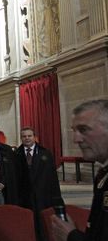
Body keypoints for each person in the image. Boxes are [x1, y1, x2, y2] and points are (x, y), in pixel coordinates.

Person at [52, 99, 108, 241]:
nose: (76, 139)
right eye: (74, 130)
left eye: (83, 130)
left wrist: (71, 236)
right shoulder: (103, 174)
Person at [15, 127, 61, 240]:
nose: (27, 138)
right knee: (28, 224)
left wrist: (57, 198)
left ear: (34, 137)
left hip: (43, 196)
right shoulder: (16, 155)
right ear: (21, 138)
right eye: (24, 136)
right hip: (24, 197)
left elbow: (53, 178)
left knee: (43, 224)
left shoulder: (45, 153)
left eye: (29, 136)